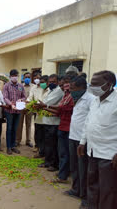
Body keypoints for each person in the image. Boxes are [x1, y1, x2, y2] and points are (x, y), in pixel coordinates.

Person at [78, 70, 117, 209]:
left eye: (96, 84)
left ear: (109, 84)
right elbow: (88, 122)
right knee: (92, 184)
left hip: (109, 155)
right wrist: (82, 142)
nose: (92, 87)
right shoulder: (95, 101)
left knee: (108, 189)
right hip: (92, 151)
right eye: (91, 83)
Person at [62, 76, 94, 209]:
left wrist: (83, 140)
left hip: (83, 140)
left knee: (84, 169)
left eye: (73, 88)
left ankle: (85, 196)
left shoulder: (90, 99)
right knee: (74, 166)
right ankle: (76, 190)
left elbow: (90, 121)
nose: (71, 91)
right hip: (73, 137)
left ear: (82, 88)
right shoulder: (77, 98)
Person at [40, 74, 76, 183]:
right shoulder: (64, 94)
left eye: (62, 84)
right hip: (61, 125)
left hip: (66, 126)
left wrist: (45, 106)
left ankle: (61, 173)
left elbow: (61, 108)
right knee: (57, 148)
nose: (61, 86)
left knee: (62, 151)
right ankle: (60, 171)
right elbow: (59, 110)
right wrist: (45, 107)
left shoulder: (70, 96)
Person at [37, 74, 64, 172]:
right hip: (47, 121)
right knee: (47, 143)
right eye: (50, 82)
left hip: (54, 122)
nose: (51, 84)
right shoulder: (50, 90)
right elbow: (45, 102)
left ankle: (53, 164)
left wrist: (41, 105)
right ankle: (47, 161)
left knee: (52, 144)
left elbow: (48, 103)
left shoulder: (59, 91)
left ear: (57, 82)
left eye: (54, 82)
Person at [3, 69, 26, 155]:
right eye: (13, 76)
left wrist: (21, 99)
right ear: (10, 77)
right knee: (9, 128)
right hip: (9, 110)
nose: (14, 77)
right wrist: (10, 104)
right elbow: (5, 97)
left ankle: (13, 146)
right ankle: (8, 147)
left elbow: (24, 96)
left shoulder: (20, 86)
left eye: (16, 75)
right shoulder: (6, 86)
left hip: (18, 111)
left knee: (15, 129)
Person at [28, 74, 49, 157]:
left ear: (47, 83)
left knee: (45, 134)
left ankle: (44, 151)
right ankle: (38, 147)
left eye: (43, 82)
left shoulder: (50, 90)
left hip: (47, 115)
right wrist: (29, 103)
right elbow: (30, 98)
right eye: (40, 82)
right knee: (38, 132)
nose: (41, 84)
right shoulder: (34, 88)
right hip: (37, 113)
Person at [16, 72, 33, 148]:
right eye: (26, 77)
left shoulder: (33, 86)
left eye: (29, 77)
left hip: (29, 107)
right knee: (19, 124)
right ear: (23, 78)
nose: (27, 79)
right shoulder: (20, 86)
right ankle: (17, 140)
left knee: (28, 124)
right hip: (21, 107)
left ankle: (28, 141)